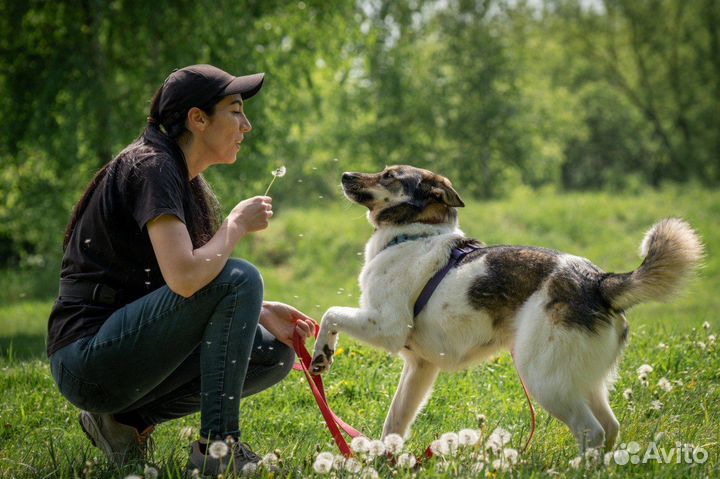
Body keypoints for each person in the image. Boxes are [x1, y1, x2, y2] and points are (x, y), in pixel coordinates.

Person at [46, 64, 316, 474]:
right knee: (243, 276)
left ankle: (124, 422)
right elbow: (186, 277)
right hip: (87, 360)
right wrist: (236, 225)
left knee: (271, 353)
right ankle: (217, 449)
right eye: (236, 110)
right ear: (197, 118)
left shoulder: (183, 178)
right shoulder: (152, 167)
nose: (247, 125)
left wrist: (259, 311)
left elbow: (190, 284)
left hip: (123, 347)